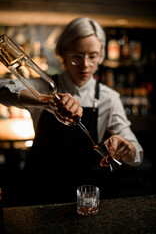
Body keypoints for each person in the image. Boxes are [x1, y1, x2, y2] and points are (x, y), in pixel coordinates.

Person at [0, 17, 143, 205]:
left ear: (101, 56)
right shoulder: (45, 85)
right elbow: (2, 89)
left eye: (92, 56)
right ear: (63, 54)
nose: (85, 64)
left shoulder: (109, 98)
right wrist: (46, 101)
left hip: (82, 196)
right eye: (77, 56)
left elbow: (137, 156)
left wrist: (126, 147)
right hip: (37, 192)